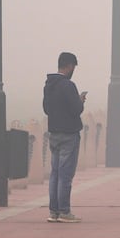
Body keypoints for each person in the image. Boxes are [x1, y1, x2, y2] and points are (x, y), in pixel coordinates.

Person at [43, 51, 87, 223]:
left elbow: (46, 109)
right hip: (69, 134)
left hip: (54, 133)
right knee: (65, 175)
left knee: (55, 173)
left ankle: (53, 211)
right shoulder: (68, 86)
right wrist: (80, 100)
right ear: (69, 66)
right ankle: (64, 211)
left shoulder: (49, 84)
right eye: (74, 67)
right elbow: (76, 110)